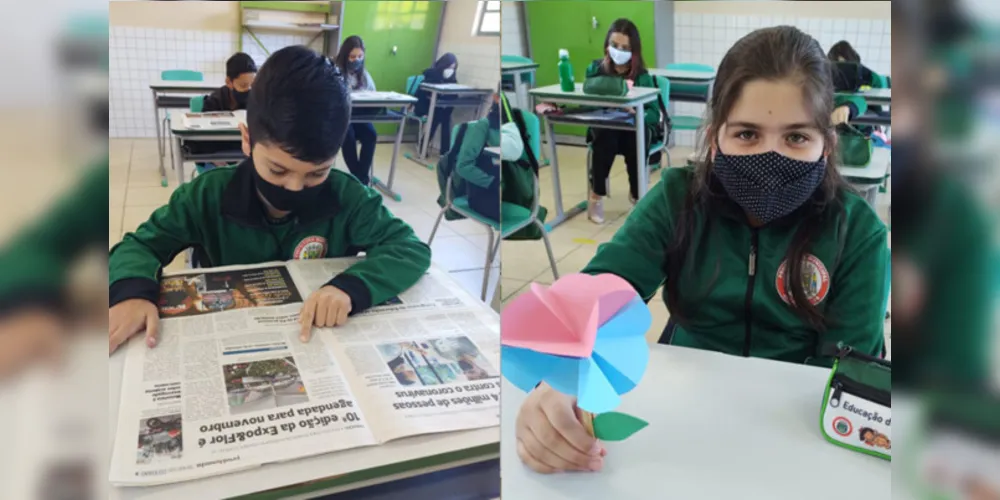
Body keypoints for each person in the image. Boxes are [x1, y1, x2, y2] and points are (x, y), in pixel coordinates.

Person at [514, 26, 890, 474]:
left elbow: (847, 377)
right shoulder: (678, 198)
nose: (771, 158)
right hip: (683, 407)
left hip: (793, 425)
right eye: (747, 135)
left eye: (796, 137)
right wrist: (558, 379)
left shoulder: (857, 232)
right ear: (715, 138)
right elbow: (604, 287)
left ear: (826, 146)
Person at [108, 45, 431, 354]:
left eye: (317, 173)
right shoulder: (207, 194)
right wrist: (131, 293)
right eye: (277, 170)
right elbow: (139, 246)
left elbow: (409, 248)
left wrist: (351, 288)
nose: (294, 187)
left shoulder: (347, 196)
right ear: (247, 140)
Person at [581, 18, 662, 224]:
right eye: (615, 45)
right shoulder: (595, 70)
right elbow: (586, 103)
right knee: (605, 135)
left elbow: (654, 114)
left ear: (633, 50)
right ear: (607, 45)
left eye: (625, 47)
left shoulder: (642, 76)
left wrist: (635, 110)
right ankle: (596, 195)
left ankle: (637, 195)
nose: (619, 51)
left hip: (632, 129)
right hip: (605, 127)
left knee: (634, 139)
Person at [334, 36, 378, 186]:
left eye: (360, 56)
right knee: (349, 136)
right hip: (340, 116)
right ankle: (359, 178)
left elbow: (373, 93)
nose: (356, 60)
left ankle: (361, 179)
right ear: (345, 55)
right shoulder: (335, 71)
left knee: (371, 135)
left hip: (359, 115)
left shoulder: (364, 74)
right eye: (352, 57)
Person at [415, 53, 459, 156]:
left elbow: (453, 92)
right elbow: (422, 94)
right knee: (439, 118)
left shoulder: (451, 77)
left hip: (439, 107)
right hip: (426, 106)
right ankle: (425, 148)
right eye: (449, 67)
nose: (451, 70)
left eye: (453, 68)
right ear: (444, 65)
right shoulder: (432, 74)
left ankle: (444, 152)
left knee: (446, 119)